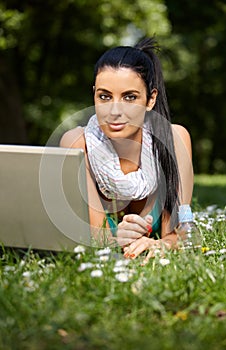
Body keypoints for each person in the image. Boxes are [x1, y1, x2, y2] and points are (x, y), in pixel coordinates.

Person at [60, 37, 193, 262]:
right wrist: (115, 240)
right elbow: (92, 239)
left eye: (129, 97)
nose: (114, 111)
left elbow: (180, 234)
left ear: (151, 100)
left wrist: (160, 245)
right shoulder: (76, 142)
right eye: (104, 96)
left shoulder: (174, 139)